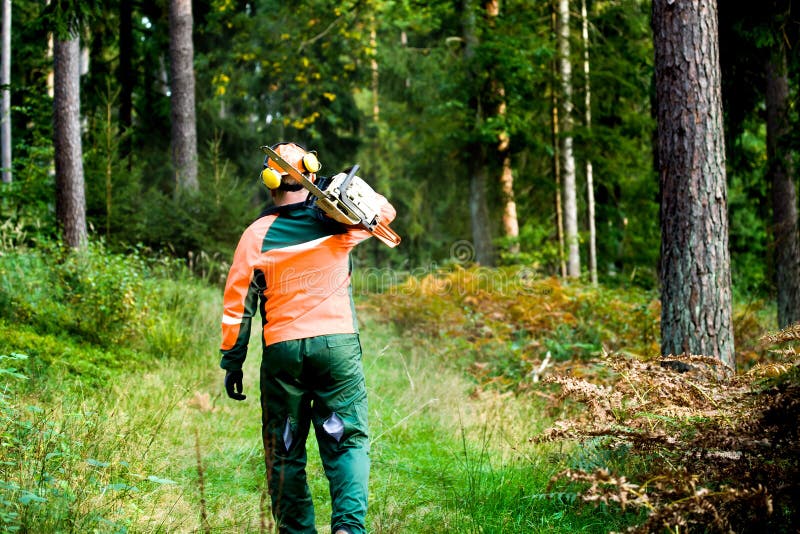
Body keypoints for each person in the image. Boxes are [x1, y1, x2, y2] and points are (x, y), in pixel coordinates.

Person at [219, 142, 396, 534]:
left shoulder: (256, 236)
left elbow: (237, 305)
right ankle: (348, 529)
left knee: (284, 451)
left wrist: (233, 359)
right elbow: (385, 212)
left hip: (284, 354)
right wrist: (343, 195)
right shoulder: (339, 223)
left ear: (270, 183)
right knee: (346, 438)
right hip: (337, 348)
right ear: (312, 175)